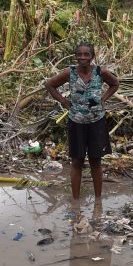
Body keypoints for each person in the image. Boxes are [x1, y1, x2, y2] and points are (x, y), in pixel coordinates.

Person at [45, 42, 119, 201]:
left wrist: (103, 100)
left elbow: (115, 84)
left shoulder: (100, 72)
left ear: (92, 57)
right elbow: (49, 84)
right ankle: (76, 202)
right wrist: (63, 102)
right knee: (77, 161)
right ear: (75, 56)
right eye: (79, 54)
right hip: (76, 122)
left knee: (95, 161)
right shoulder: (69, 73)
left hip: (96, 122)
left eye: (86, 54)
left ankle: (98, 200)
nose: (83, 57)